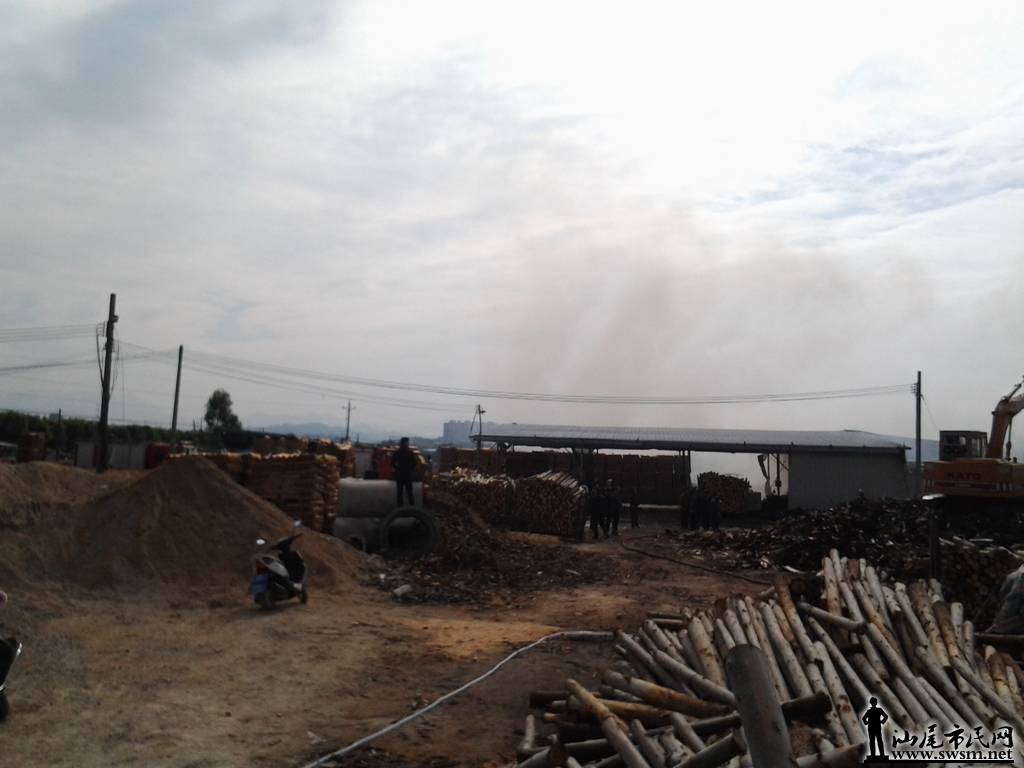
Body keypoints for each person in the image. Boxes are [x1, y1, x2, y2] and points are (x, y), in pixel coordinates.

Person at [390, 437, 417, 506]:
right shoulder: (410, 452)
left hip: (399, 475)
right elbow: (415, 463)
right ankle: (412, 507)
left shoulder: (397, 452)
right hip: (407, 474)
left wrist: (397, 468)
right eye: (407, 442)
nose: (408, 443)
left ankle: (400, 508)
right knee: (409, 492)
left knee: (400, 492)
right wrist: (410, 468)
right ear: (405, 443)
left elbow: (392, 463)